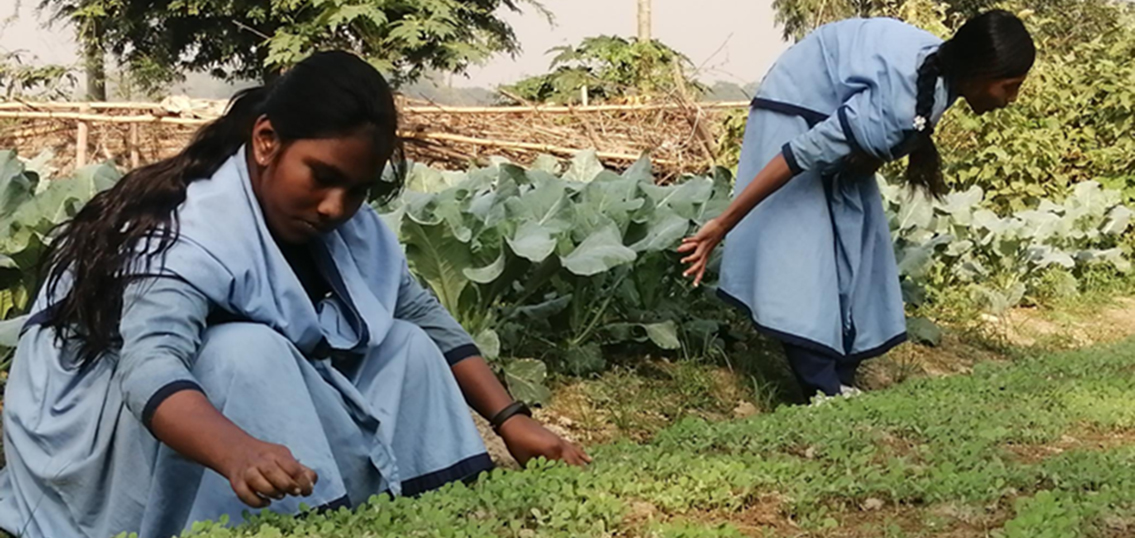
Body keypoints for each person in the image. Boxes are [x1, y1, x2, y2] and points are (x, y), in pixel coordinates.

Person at [0, 50, 589, 538]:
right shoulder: (189, 231)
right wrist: (236, 450)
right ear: (265, 141)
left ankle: (429, 512)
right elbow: (149, 368)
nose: (336, 207)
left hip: (229, 420)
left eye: (356, 189)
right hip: (95, 438)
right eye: (322, 176)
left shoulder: (343, 226)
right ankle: (296, 523)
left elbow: (420, 314)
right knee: (244, 352)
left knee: (406, 345)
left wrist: (512, 420)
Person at [679, 11, 1036, 400]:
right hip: (795, 105)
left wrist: (870, 157)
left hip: (834, 103)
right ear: (979, 71)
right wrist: (724, 224)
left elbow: (895, 127)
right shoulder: (902, 101)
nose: (1011, 99)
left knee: (861, 244)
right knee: (798, 250)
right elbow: (800, 153)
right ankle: (822, 390)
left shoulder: (937, 79)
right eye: (1009, 86)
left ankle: (840, 374)